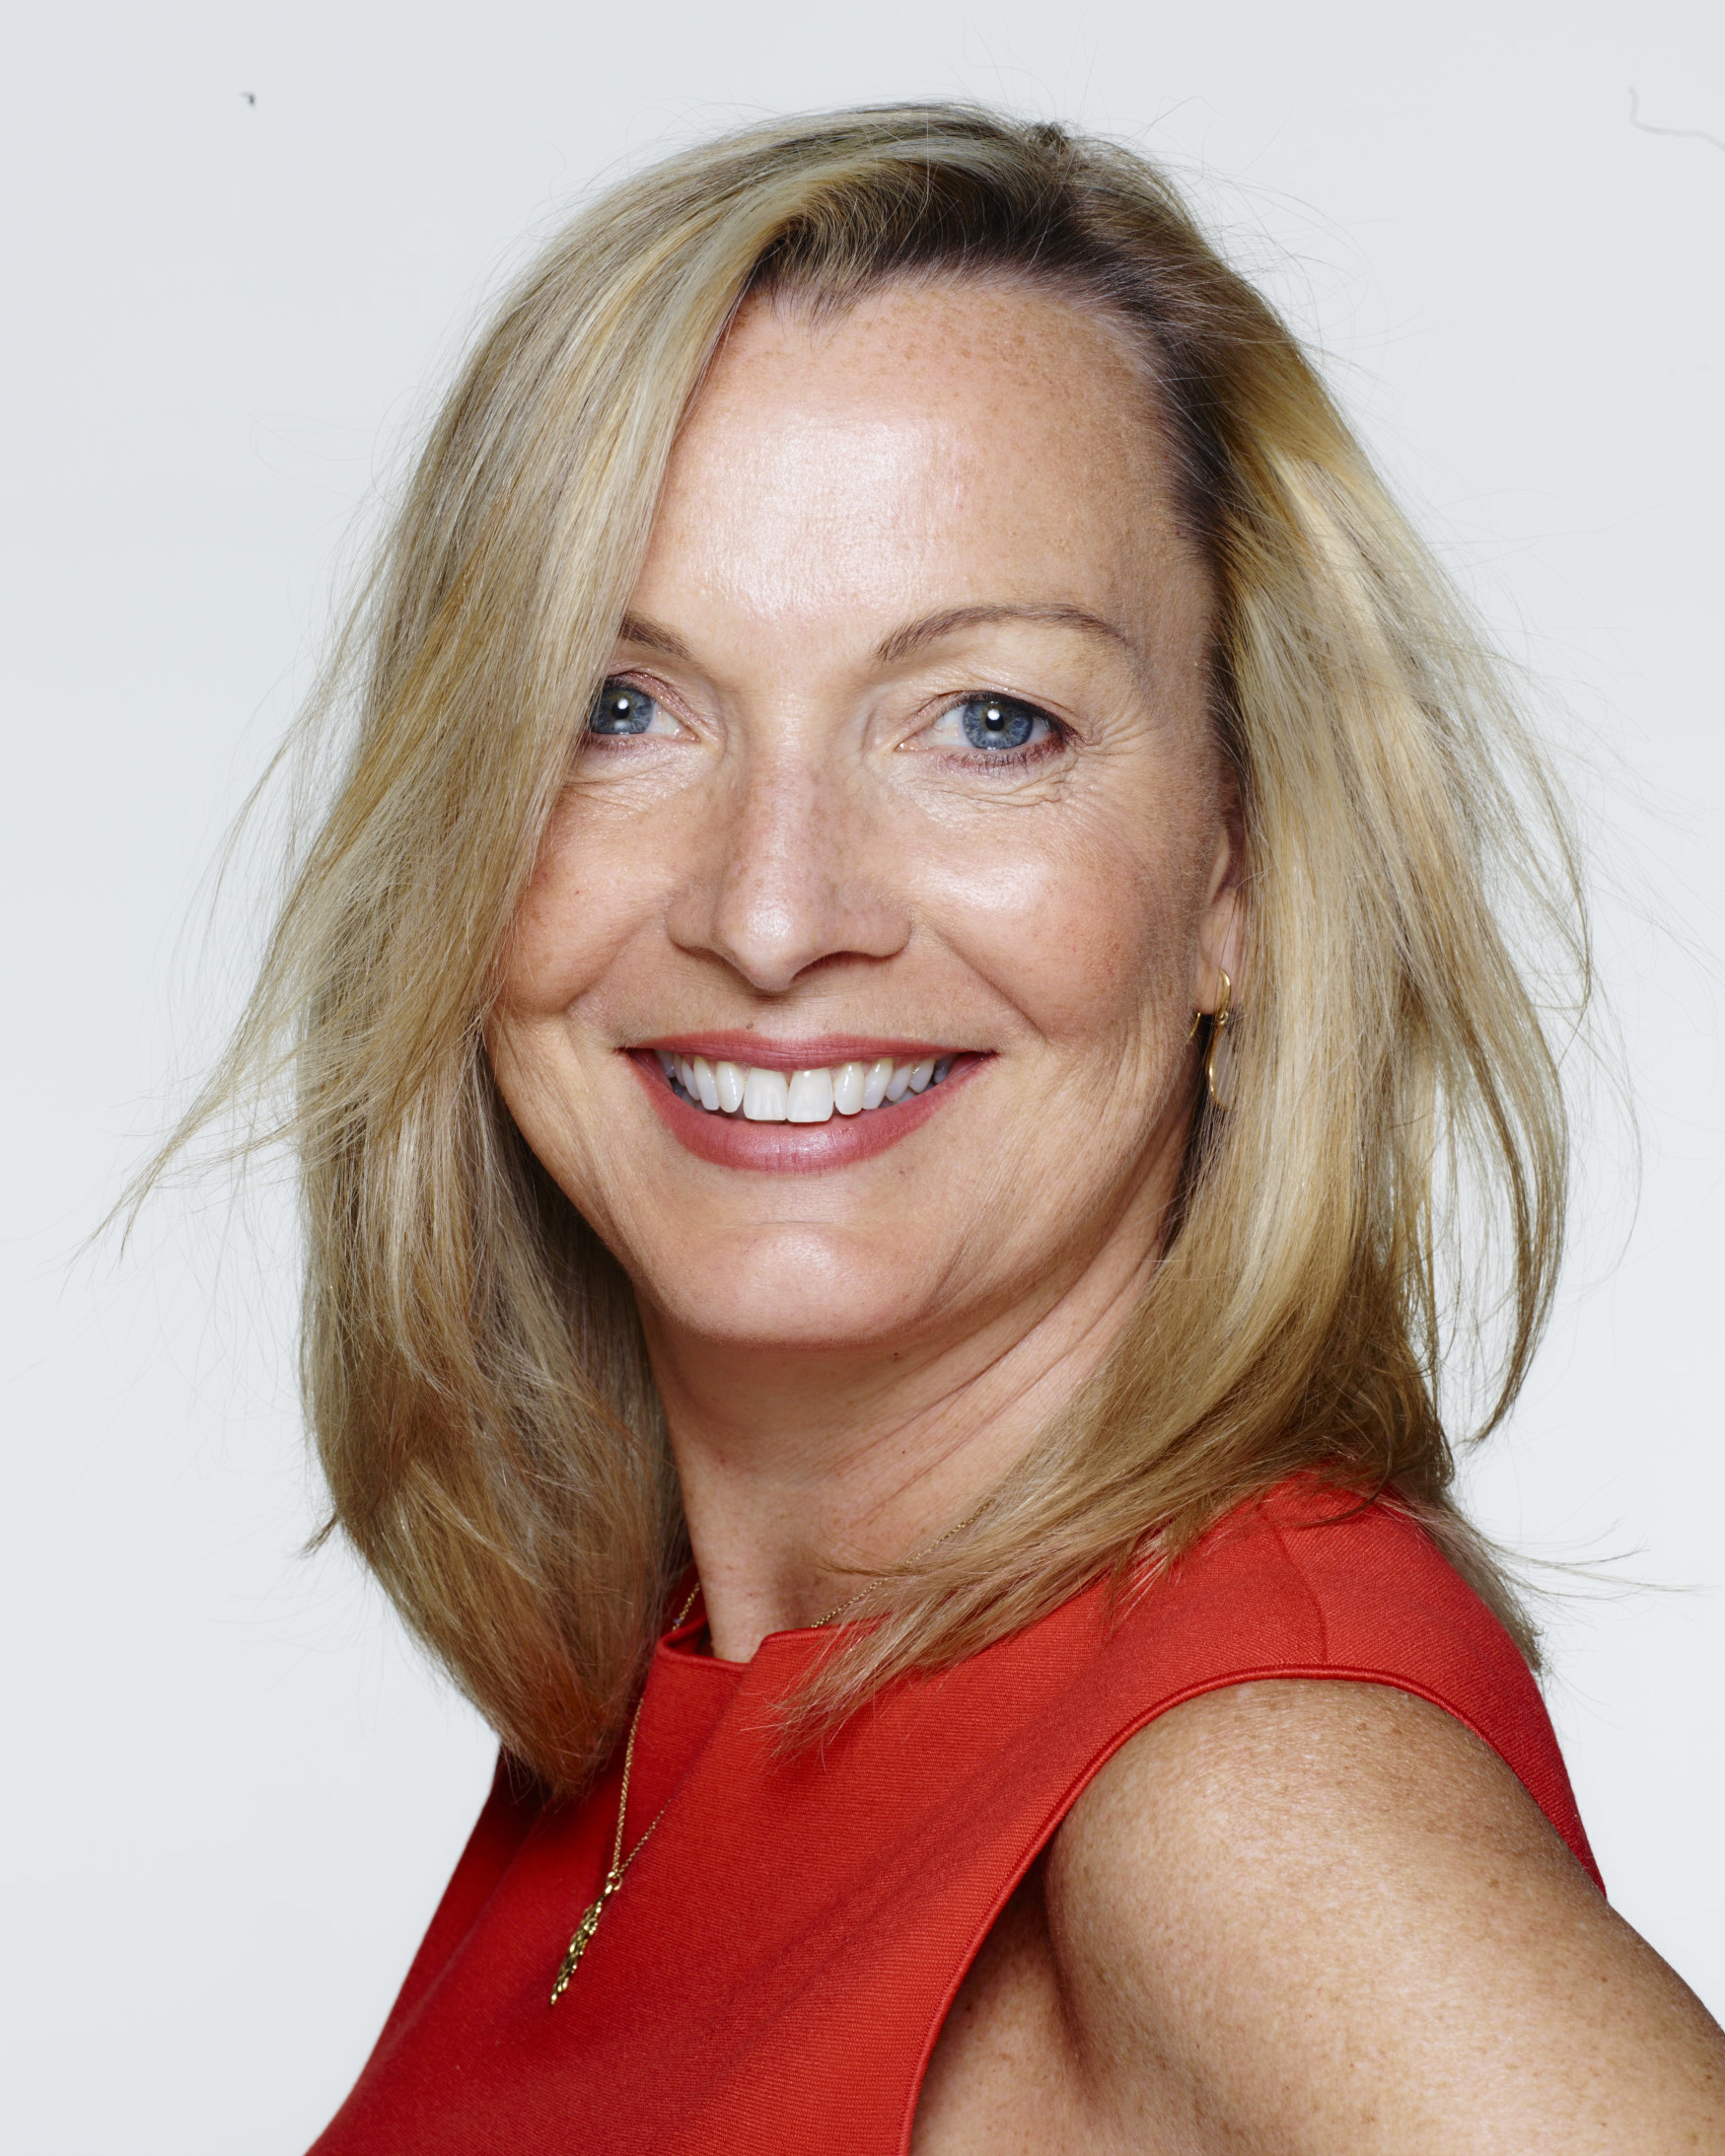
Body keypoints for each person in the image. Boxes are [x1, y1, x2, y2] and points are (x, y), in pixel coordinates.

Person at [171, 105, 1725, 2151]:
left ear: (1239, 872)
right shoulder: (667, 1720)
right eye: (616, 708)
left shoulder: (1250, 1799)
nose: (772, 907)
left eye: (990, 720)